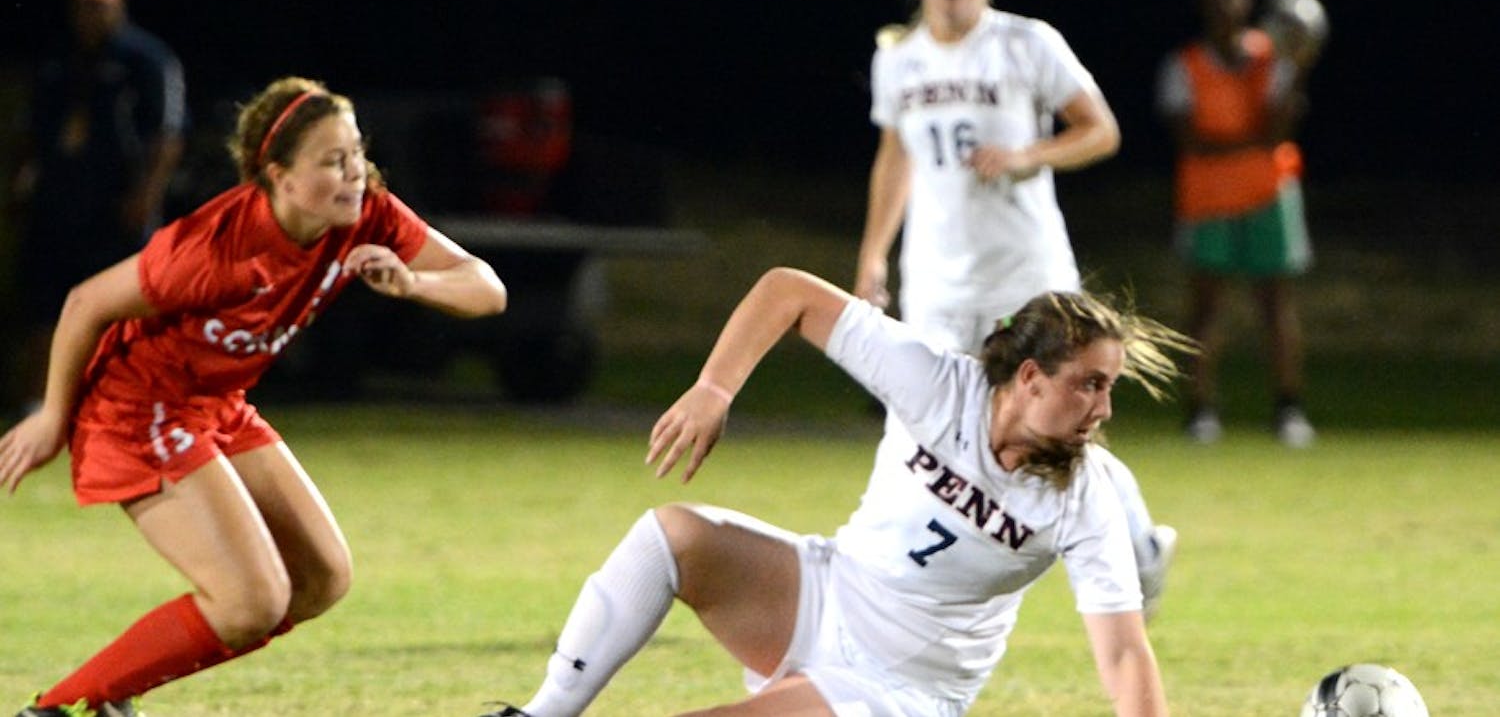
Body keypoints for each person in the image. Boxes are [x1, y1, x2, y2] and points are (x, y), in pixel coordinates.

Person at [0, 76, 509, 716]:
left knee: (323, 578)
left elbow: (486, 287)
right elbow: (87, 303)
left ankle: (106, 693)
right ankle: (57, 710)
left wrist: (412, 284)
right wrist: (53, 415)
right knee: (251, 602)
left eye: (357, 153)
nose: (355, 173)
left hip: (216, 404)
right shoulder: (218, 248)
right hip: (138, 409)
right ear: (280, 176)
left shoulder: (365, 213)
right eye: (333, 161)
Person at [481, 267, 1190, 717]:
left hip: (904, 690)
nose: (1103, 409)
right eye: (1090, 384)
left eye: (1110, 387)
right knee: (673, 535)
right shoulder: (938, 384)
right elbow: (787, 292)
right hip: (825, 593)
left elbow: (1124, 654)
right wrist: (714, 387)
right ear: (1031, 376)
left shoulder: (1084, 490)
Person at [852, 0, 1176, 612]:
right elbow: (894, 157)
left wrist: (1032, 154)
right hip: (938, 281)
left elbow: (1100, 130)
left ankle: (1139, 547)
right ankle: (881, 569)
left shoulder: (1027, 43)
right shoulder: (897, 59)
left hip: (1027, 279)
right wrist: (874, 257)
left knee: (1065, 426)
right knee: (914, 425)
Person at [7, 0, 188, 414]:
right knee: (45, 303)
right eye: (86, 3)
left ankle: (131, 397)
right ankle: (41, 405)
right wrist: (20, 184)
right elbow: (30, 132)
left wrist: (145, 196)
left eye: (102, 3)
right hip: (58, 201)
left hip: (116, 202)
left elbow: (167, 135)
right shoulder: (56, 58)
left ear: (119, 2)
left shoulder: (146, 58)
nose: (94, 14)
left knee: (126, 303)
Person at [1155, 0, 1319, 447]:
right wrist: (1252, 144)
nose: (1227, 2)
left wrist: (1300, 71)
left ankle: (1289, 408)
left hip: (1268, 195)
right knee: (1205, 308)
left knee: (1276, 305)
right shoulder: (1182, 66)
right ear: (1204, 1)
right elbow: (1191, 141)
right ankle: (1200, 411)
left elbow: (1281, 128)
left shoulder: (1275, 59)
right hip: (1208, 200)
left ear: (1250, 1)